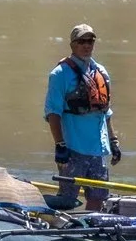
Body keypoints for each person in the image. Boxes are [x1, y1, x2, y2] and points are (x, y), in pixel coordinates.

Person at [44, 23, 121, 209]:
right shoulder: (60, 74)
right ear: (72, 45)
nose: (87, 45)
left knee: (98, 198)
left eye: (90, 41)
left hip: (97, 151)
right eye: (81, 41)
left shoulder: (101, 72)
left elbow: (106, 112)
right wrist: (60, 145)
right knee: (67, 200)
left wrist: (114, 140)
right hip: (73, 150)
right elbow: (53, 113)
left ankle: (90, 231)